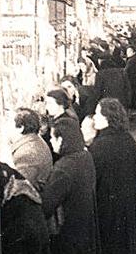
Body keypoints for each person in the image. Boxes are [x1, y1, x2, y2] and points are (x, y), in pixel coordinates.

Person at [40, 107, 100, 254]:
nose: (50, 141)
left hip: (68, 233)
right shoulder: (85, 156)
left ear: (61, 140)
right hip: (85, 228)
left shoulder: (63, 168)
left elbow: (46, 206)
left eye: (53, 138)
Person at [87, 98, 136, 254]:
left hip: (107, 205)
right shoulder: (129, 140)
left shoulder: (98, 147)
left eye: (98, 114)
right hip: (127, 202)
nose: (94, 118)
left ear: (108, 117)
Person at [9, 108, 52, 192]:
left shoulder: (28, 153)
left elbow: (19, 190)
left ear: (21, 128)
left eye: (8, 124)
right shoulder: (33, 142)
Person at [43, 89, 80, 163]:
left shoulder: (65, 123)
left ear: (61, 104)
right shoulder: (54, 119)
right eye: (46, 103)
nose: (47, 107)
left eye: (50, 103)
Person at [124, 45, 136, 112]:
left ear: (133, 52)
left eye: (129, 51)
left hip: (132, 81)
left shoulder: (131, 60)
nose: (127, 53)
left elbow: (126, 71)